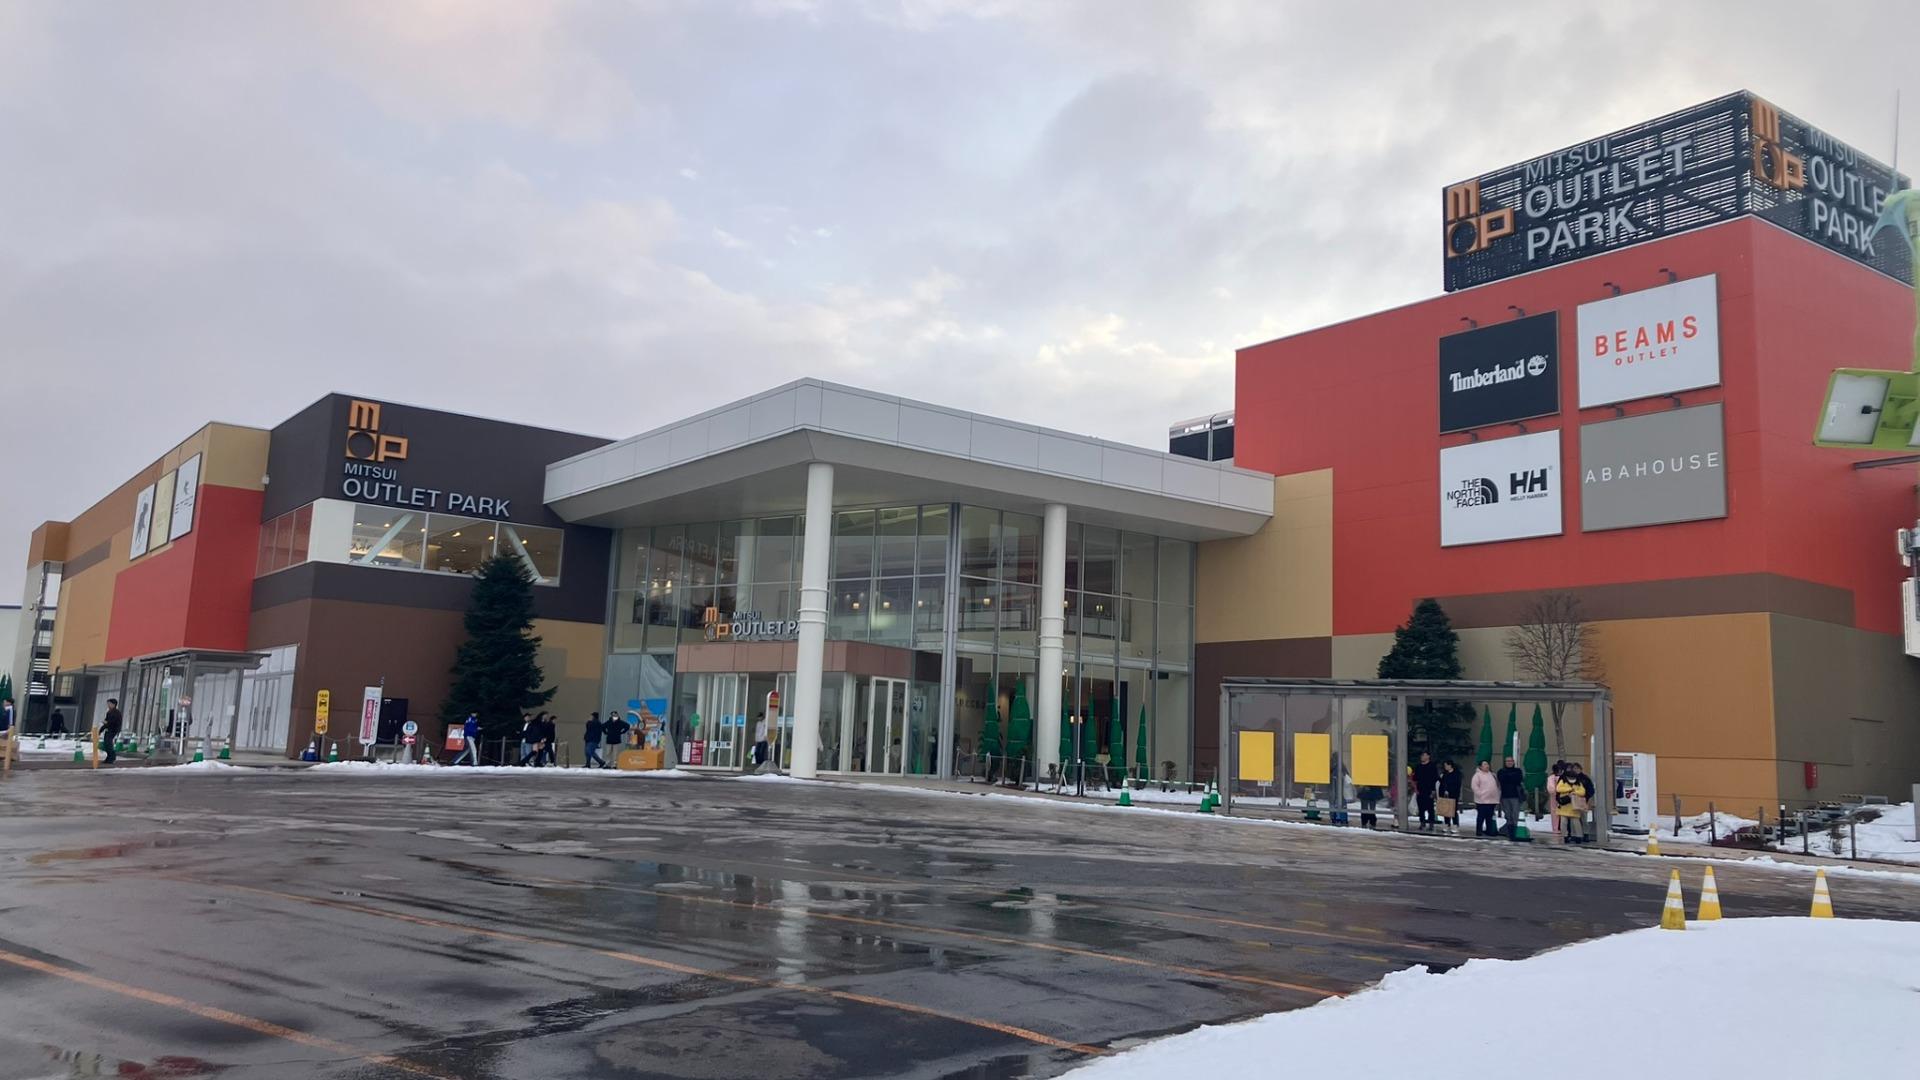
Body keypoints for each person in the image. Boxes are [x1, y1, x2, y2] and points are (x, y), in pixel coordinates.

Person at [1496, 755, 1527, 839]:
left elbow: (1518, 779)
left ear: (1513, 762)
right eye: (1507, 761)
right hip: (1505, 796)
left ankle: (1515, 831)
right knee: (1508, 814)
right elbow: (1502, 779)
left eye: (1511, 761)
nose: (1509, 763)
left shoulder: (1518, 771)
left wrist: (1508, 777)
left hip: (1515, 796)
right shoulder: (1501, 771)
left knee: (1515, 814)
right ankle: (1509, 832)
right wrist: (1510, 777)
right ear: (1505, 762)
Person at [1470, 760, 1500, 837]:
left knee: (1489, 817)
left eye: (1487, 764)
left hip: (1492, 800)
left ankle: (1489, 830)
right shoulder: (1477, 775)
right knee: (1481, 816)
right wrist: (1480, 794)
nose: (1487, 766)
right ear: (1480, 766)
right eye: (1485, 764)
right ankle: (1479, 831)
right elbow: (1474, 786)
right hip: (1482, 800)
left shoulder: (1492, 774)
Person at [1411, 751, 1439, 832]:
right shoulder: (1418, 766)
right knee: (1421, 807)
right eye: (1422, 755)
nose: (1422, 757)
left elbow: (1435, 779)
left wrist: (1433, 790)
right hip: (1420, 789)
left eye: (1424, 755)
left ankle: (1431, 823)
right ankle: (1422, 822)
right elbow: (1415, 778)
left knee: (1430, 807)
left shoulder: (1432, 766)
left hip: (1429, 789)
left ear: (1428, 756)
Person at [1554, 765, 1582, 843]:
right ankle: (1565, 836)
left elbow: (1582, 791)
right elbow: (1558, 789)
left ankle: (1577, 836)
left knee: (1575, 822)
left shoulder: (1578, 783)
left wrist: (1574, 792)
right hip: (1565, 805)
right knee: (1564, 822)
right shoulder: (1563, 781)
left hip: (1574, 806)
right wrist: (1571, 790)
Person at [1571, 762, 1597, 843]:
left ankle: (1586, 834)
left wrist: (1586, 797)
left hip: (1583, 800)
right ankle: (1576, 835)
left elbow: (1591, 790)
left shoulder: (1585, 778)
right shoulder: (1571, 778)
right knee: (1574, 818)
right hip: (1573, 800)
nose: (1575, 770)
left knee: (1583, 818)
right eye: (1574, 768)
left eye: (1577, 768)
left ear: (1580, 769)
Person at [1436, 759, 1463, 836]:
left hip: (1453, 794)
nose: (1445, 767)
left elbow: (1457, 784)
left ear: (1450, 765)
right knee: (1446, 809)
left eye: (1446, 765)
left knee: (1453, 810)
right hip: (1444, 795)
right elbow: (1441, 783)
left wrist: (1450, 790)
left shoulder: (1456, 774)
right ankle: (1447, 824)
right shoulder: (1445, 774)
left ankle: (1455, 824)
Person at [100, 698, 123, 765]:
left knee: (108, 744)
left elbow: (111, 722)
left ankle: (112, 758)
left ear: (114, 704)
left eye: (109, 704)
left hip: (113, 730)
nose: (108, 705)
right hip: (108, 729)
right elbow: (106, 721)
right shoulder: (109, 712)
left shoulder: (116, 713)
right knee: (106, 744)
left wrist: (106, 723)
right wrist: (101, 729)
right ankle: (109, 758)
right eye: (108, 704)